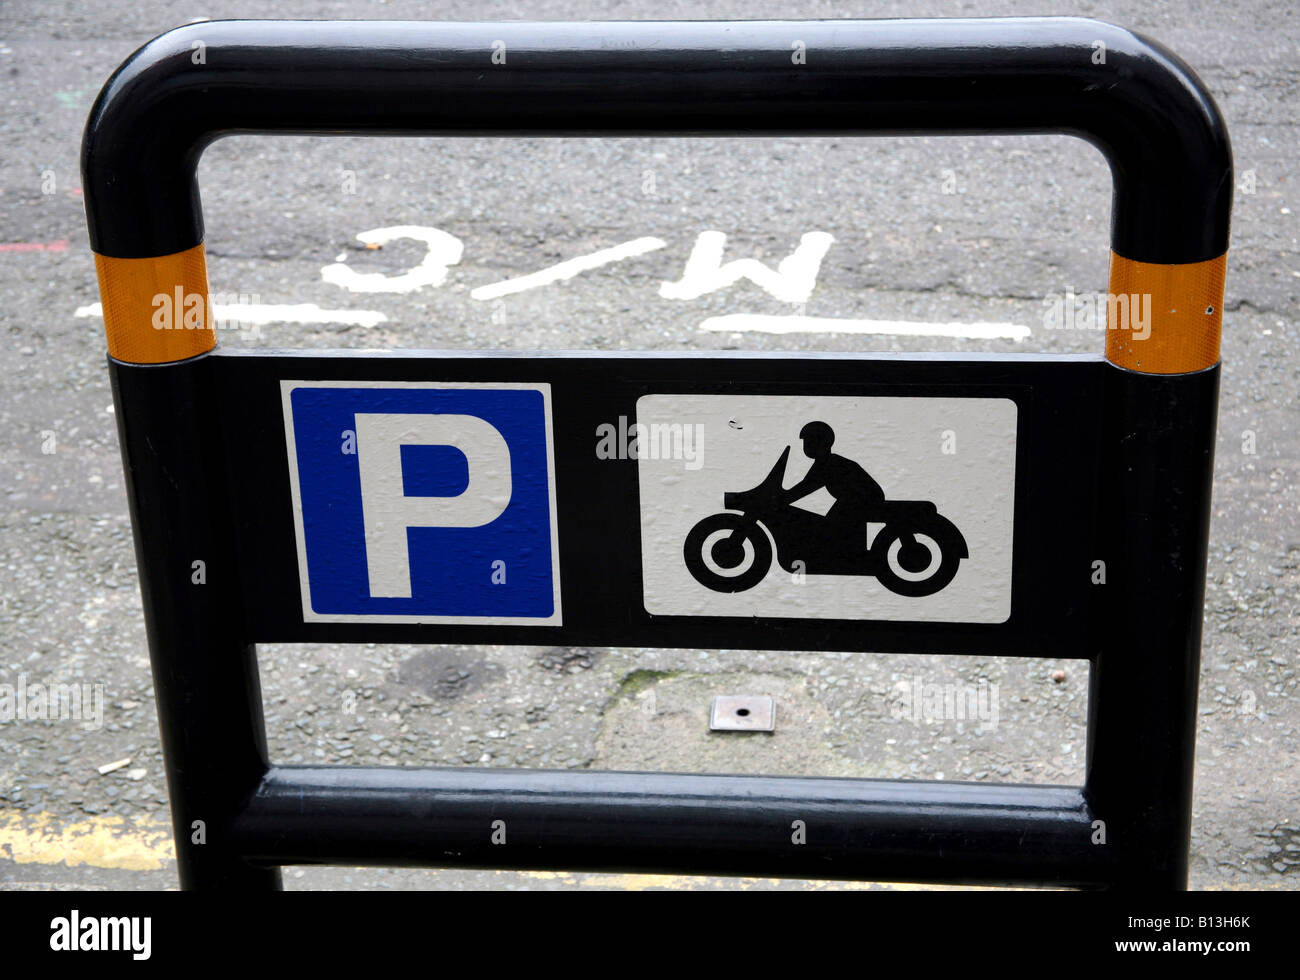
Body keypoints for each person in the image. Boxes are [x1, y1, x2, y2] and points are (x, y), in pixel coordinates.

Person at [781, 421, 884, 538]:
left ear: (822, 442)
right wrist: (784, 498)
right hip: (854, 499)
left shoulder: (829, 463)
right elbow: (805, 485)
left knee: (829, 527)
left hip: (864, 499)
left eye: (810, 441)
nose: (806, 446)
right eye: (806, 442)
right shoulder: (824, 462)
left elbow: (805, 488)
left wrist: (780, 500)